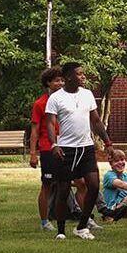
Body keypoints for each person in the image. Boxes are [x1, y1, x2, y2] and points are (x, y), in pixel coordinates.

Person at [44, 61, 111, 240]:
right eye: (80, 74)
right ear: (68, 77)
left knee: (94, 186)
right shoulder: (56, 98)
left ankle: (82, 227)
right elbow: (50, 122)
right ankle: (60, 230)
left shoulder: (87, 94)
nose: (83, 77)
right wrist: (53, 144)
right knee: (64, 190)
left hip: (86, 148)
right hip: (65, 149)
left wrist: (108, 143)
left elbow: (96, 121)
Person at [26, 65, 65, 230]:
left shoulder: (67, 100)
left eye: (63, 80)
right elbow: (34, 131)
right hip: (48, 149)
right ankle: (44, 221)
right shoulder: (40, 104)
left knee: (79, 182)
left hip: (66, 146)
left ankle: (85, 218)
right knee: (47, 185)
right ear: (48, 83)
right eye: (57, 80)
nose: (61, 83)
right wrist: (33, 153)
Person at [98, 151, 127, 222]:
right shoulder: (109, 175)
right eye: (116, 161)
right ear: (111, 164)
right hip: (113, 208)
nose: (120, 163)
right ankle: (111, 215)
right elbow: (120, 184)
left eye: (122, 160)